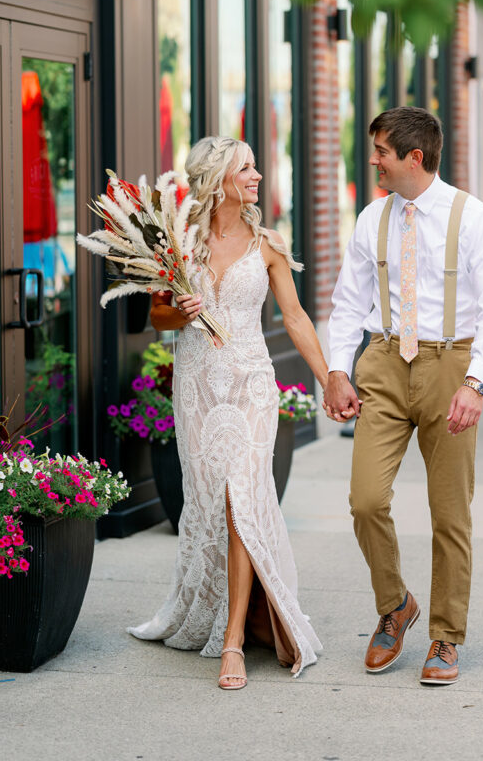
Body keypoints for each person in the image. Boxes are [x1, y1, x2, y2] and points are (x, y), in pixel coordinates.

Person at [128, 135, 335, 688]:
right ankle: (218, 611)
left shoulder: (268, 243)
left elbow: (295, 319)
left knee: (241, 497)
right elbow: (159, 319)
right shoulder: (179, 243)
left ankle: (234, 641)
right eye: (246, 168)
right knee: (212, 501)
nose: (257, 176)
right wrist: (182, 310)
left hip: (251, 386)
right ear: (217, 178)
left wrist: (329, 379)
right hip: (197, 387)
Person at [324, 107, 483, 686]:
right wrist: (337, 370)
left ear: (414, 158)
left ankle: (446, 638)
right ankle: (395, 604)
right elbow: (348, 302)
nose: (372, 159)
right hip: (382, 360)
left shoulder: (472, 218)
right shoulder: (371, 218)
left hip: (451, 362)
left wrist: (476, 382)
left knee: (449, 513)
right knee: (364, 500)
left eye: (380, 150)